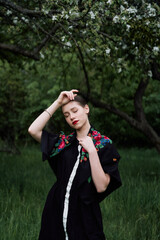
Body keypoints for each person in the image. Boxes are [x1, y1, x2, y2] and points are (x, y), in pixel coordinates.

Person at [28, 89, 122, 240]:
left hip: (85, 217)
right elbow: (33, 130)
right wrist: (58, 103)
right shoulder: (63, 143)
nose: (71, 117)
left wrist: (91, 151)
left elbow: (101, 186)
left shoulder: (104, 144)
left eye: (74, 110)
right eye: (66, 115)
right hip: (55, 211)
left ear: (86, 109)